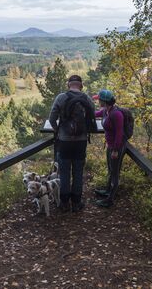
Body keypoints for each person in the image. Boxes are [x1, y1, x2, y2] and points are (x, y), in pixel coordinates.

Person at [49, 75, 96, 213]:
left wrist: (58, 131)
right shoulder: (86, 98)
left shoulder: (61, 97)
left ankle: (64, 203)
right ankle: (76, 203)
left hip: (64, 142)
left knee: (64, 173)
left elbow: (52, 118)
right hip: (81, 142)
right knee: (78, 172)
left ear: (68, 85)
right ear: (81, 85)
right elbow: (92, 116)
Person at [93, 89, 126, 208]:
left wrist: (116, 150)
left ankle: (110, 199)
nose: (98, 101)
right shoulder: (106, 111)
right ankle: (107, 191)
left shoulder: (116, 114)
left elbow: (119, 133)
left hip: (117, 147)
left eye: (99, 99)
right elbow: (94, 114)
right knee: (111, 170)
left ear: (104, 101)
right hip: (110, 146)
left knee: (115, 172)